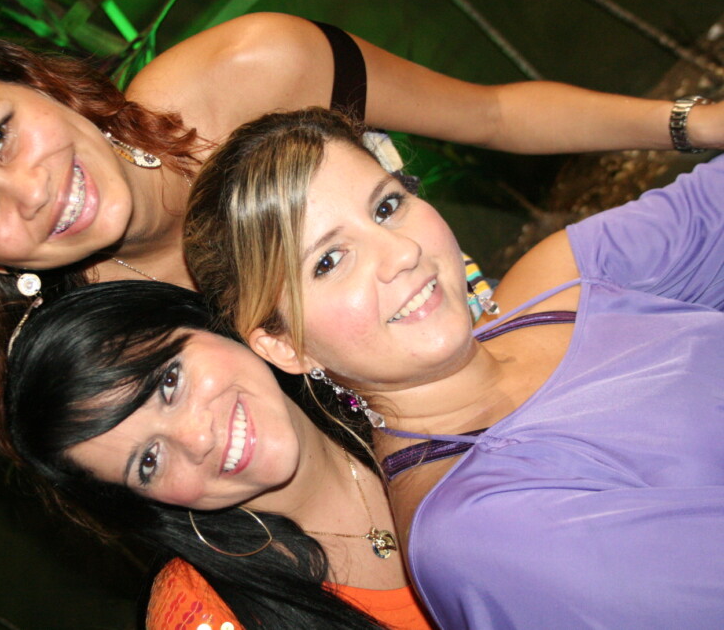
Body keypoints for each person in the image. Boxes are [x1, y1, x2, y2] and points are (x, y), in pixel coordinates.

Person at [0, 11, 724, 451]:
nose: (32, 191)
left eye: (1, 134)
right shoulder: (109, 353)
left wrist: (699, 123)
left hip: (534, 343)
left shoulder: (254, 70)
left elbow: (493, 113)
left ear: (33, 81)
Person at [184, 107, 724, 628]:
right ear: (286, 347)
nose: (401, 253)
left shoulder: (561, 280)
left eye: (386, 206)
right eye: (329, 260)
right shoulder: (486, 528)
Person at [4, 280, 432, 629]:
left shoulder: (406, 377)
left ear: (203, 322)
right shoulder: (201, 615)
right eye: (149, 461)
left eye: (169, 382)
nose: (196, 439)